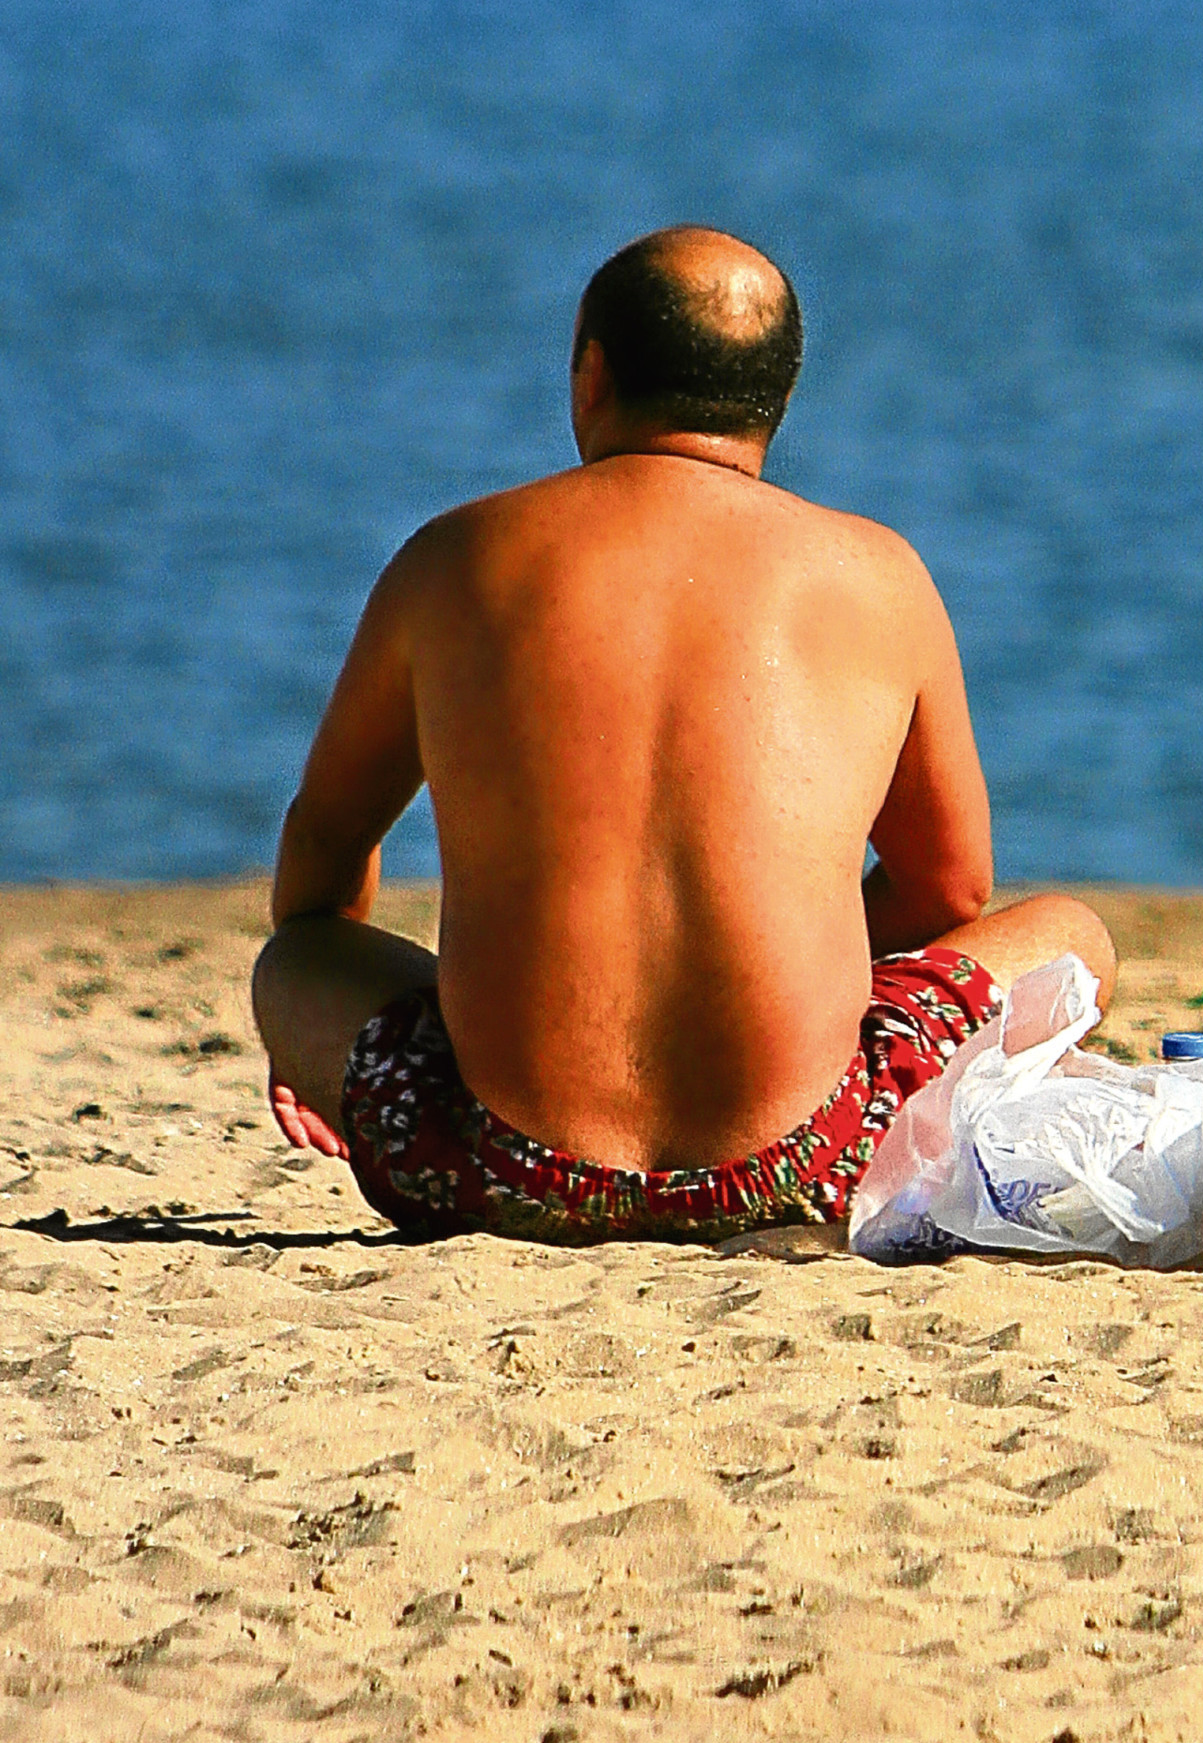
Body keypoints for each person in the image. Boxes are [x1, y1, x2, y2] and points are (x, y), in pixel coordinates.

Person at [251, 226, 1114, 1245]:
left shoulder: (452, 560)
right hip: (809, 1162)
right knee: (1072, 934)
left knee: (291, 966)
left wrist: (331, 1023)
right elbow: (951, 891)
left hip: (494, 1169)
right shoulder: (880, 576)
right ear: (778, 399)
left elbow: (327, 843)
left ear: (592, 373)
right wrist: (776, 973)